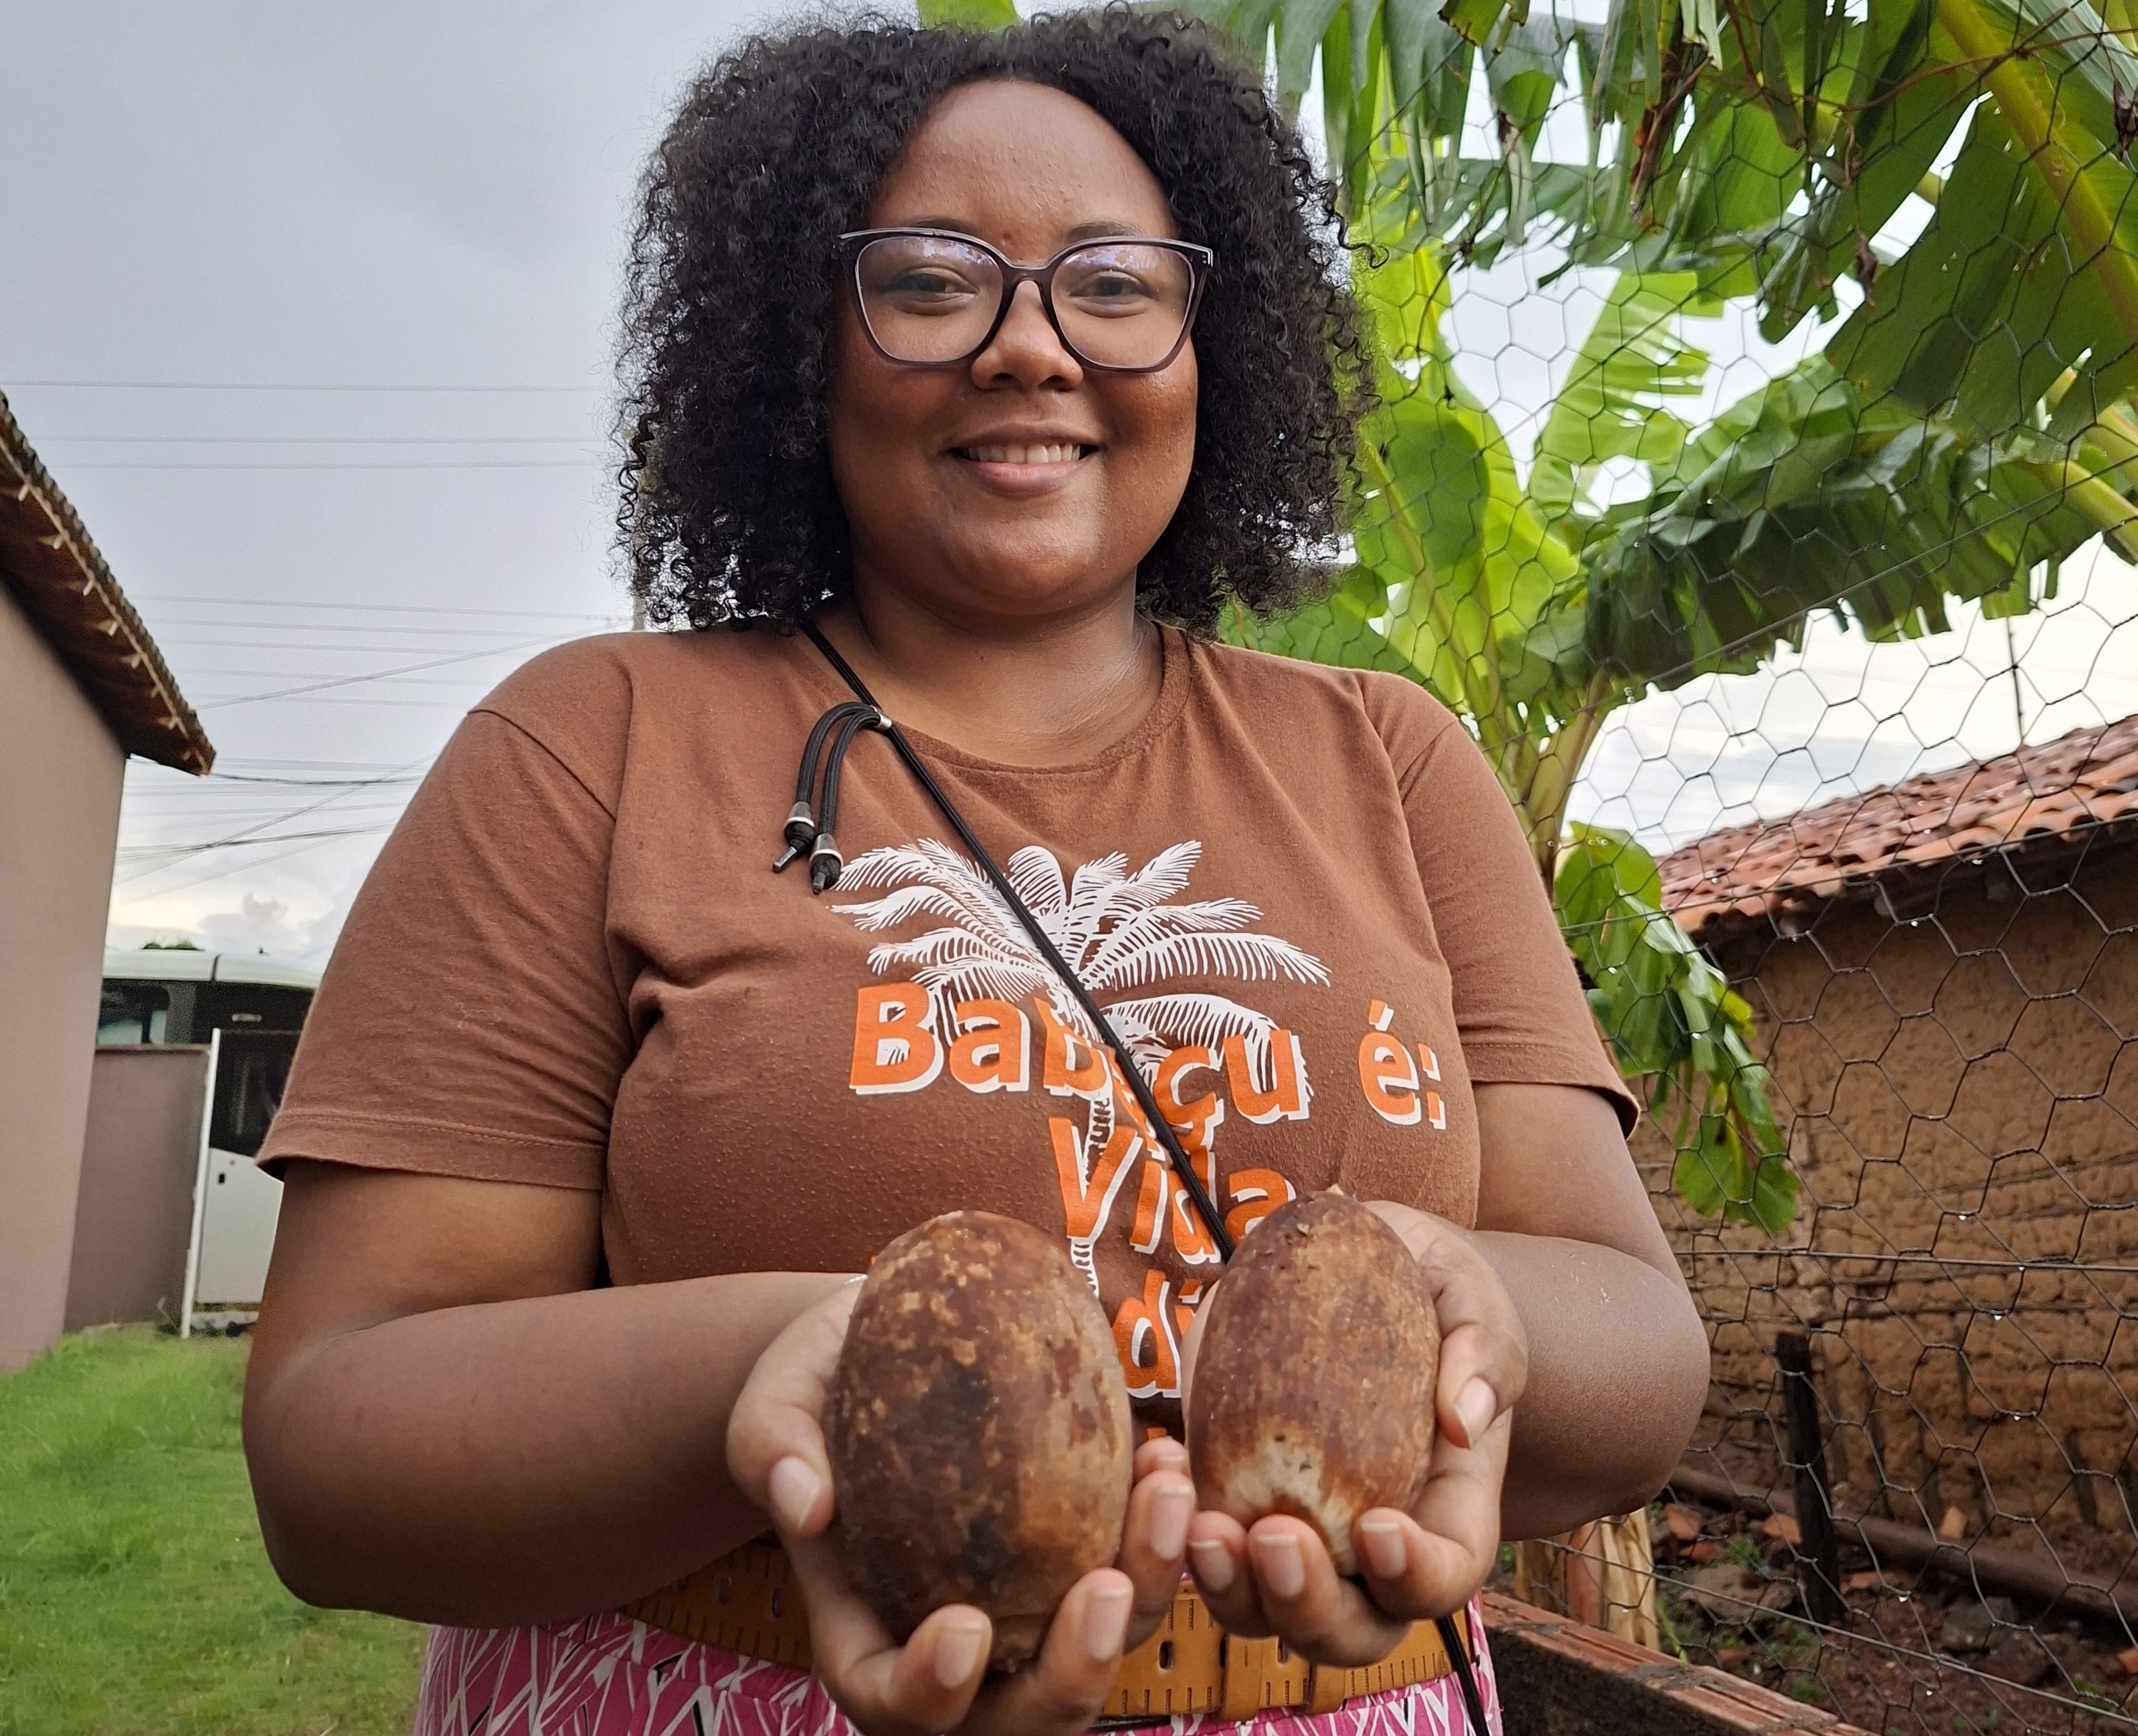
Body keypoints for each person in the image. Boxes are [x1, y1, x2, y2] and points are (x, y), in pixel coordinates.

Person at [241, 13, 1713, 1735]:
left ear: (1205, 345)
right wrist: (777, 1373)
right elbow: (334, 1439)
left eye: (1115, 282)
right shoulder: (595, 744)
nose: (1031, 346)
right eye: (933, 282)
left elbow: (1642, 1347)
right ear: (800, 342)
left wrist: (1464, 1309)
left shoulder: (1389, 759)